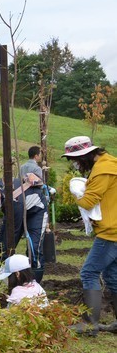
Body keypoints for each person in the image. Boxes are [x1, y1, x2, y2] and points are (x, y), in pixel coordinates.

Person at [61, 136, 117, 335]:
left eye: (75, 160)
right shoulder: (110, 164)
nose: (75, 164)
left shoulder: (103, 171)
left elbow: (88, 202)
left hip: (111, 233)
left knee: (89, 272)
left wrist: (76, 192)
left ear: (85, 155)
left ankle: (89, 323)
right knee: (112, 275)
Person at [0, 173, 48, 283]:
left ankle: (34, 285)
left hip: (36, 211)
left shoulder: (15, 200)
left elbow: (13, 233)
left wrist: (8, 252)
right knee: (1, 248)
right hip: (13, 211)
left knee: (34, 248)